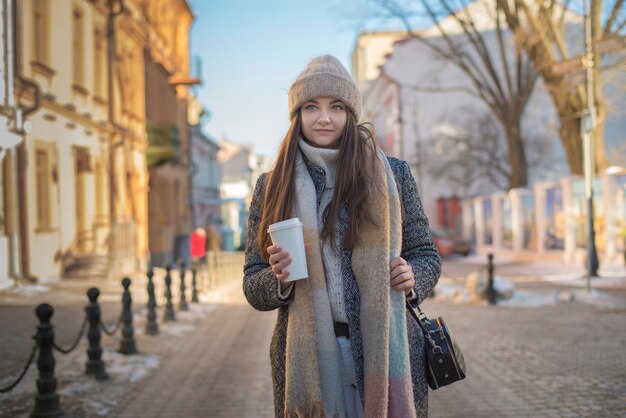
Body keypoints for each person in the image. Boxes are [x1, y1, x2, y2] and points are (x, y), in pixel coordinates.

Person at [243, 54, 441, 418]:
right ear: (296, 115)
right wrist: (278, 280)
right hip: (308, 361)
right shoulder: (272, 186)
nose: (324, 117)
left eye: (336, 106)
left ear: (350, 113)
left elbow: (425, 253)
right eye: (311, 107)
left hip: (386, 349)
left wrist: (413, 276)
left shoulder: (393, 175)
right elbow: (253, 283)